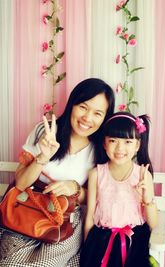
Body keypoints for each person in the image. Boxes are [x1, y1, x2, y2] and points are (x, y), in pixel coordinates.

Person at [0, 78, 115, 267]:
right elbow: (20, 183)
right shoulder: (44, 132)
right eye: (83, 107)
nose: (87, 118)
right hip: (26, 213)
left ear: (104, 118)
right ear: (72, 104)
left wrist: (75, 188)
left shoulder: (101, 150)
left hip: (65, 222)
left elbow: (98, 197)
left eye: (98, 113)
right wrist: (42, 158)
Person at [80, 112, 158, 267]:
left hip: (134, 241)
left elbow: (154, 223)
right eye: (113, 141)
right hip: (101, 240)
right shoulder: (96, 174)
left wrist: (146, 198)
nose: (119, 148)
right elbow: (90, 216)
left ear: (137, 145)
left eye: (128, 142)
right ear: (104, 143)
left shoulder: (143, 175)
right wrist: (87, 248)